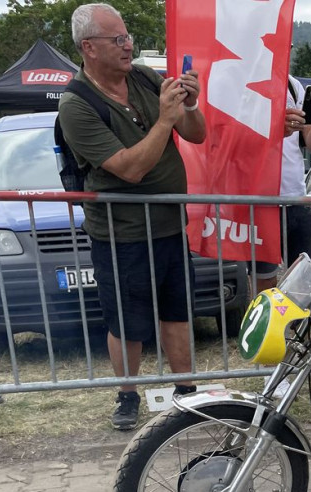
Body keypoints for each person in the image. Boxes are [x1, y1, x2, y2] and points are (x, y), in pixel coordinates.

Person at [58, 3, 206, 430]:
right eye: (117, 39)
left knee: (177, 312)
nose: (128, 45)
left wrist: (190, 106)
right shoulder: (76, 103)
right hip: (119, 233)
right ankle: (127, 396)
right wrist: (164, 120)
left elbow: (195, 134)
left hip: (168, 224)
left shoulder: (142, 75)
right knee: (127, 323)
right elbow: (130, 167)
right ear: (89, 48)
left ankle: (187, 392)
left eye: (127, 37)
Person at [253, 76, 311, 292]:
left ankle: (300, 325)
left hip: (296, 197)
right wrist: (276, 127)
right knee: (265, 283)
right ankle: (268, 324)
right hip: (262, 201)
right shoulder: (249, 78)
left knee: (307, 282)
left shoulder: (293, 85)